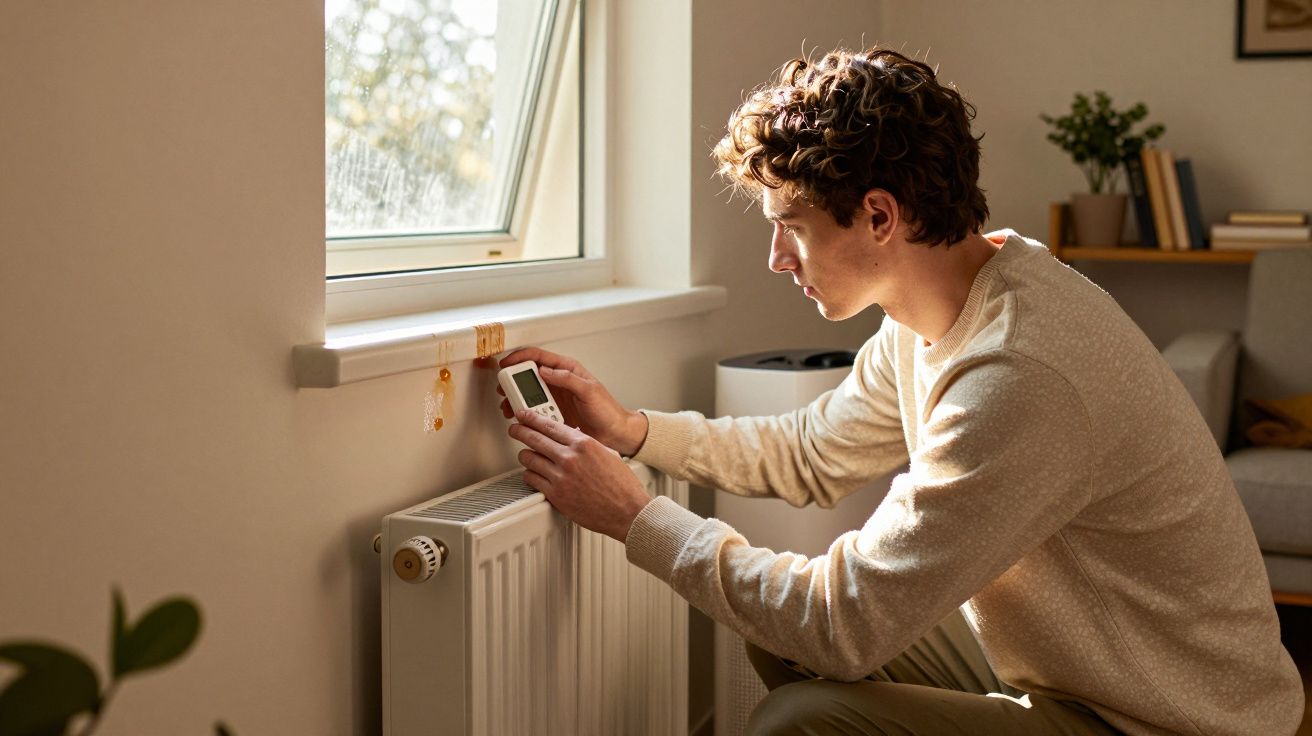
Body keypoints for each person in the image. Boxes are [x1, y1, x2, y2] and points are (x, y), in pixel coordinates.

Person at [495, 47, 1304, 735]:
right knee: (781, 637)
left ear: (879, 216)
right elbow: (813, 450)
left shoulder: (1018, 372)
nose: (778, 257)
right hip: (1080, 660)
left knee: (800, 718)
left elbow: (844, 625)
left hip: (1166, 717)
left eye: (793, 226)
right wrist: (633, 430)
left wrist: (635, 515)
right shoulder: (940, 308)